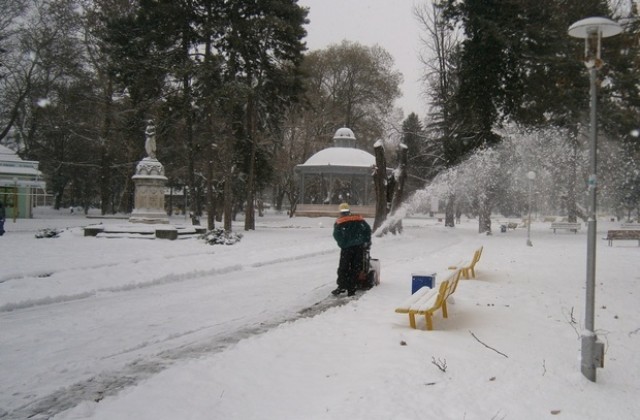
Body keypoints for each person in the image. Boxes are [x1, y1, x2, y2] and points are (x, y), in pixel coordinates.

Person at [332, 203, 371, 296]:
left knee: (343, 267)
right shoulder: (359, 219)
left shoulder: (339, 221)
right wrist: (365, 241)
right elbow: (367, 230)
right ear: (349, 211)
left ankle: (341, 286)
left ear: (340, 212)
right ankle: (351, 289)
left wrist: (342, 243)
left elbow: (336, 234)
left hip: (346, 248)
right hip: (359, 247)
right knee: (355, 267)